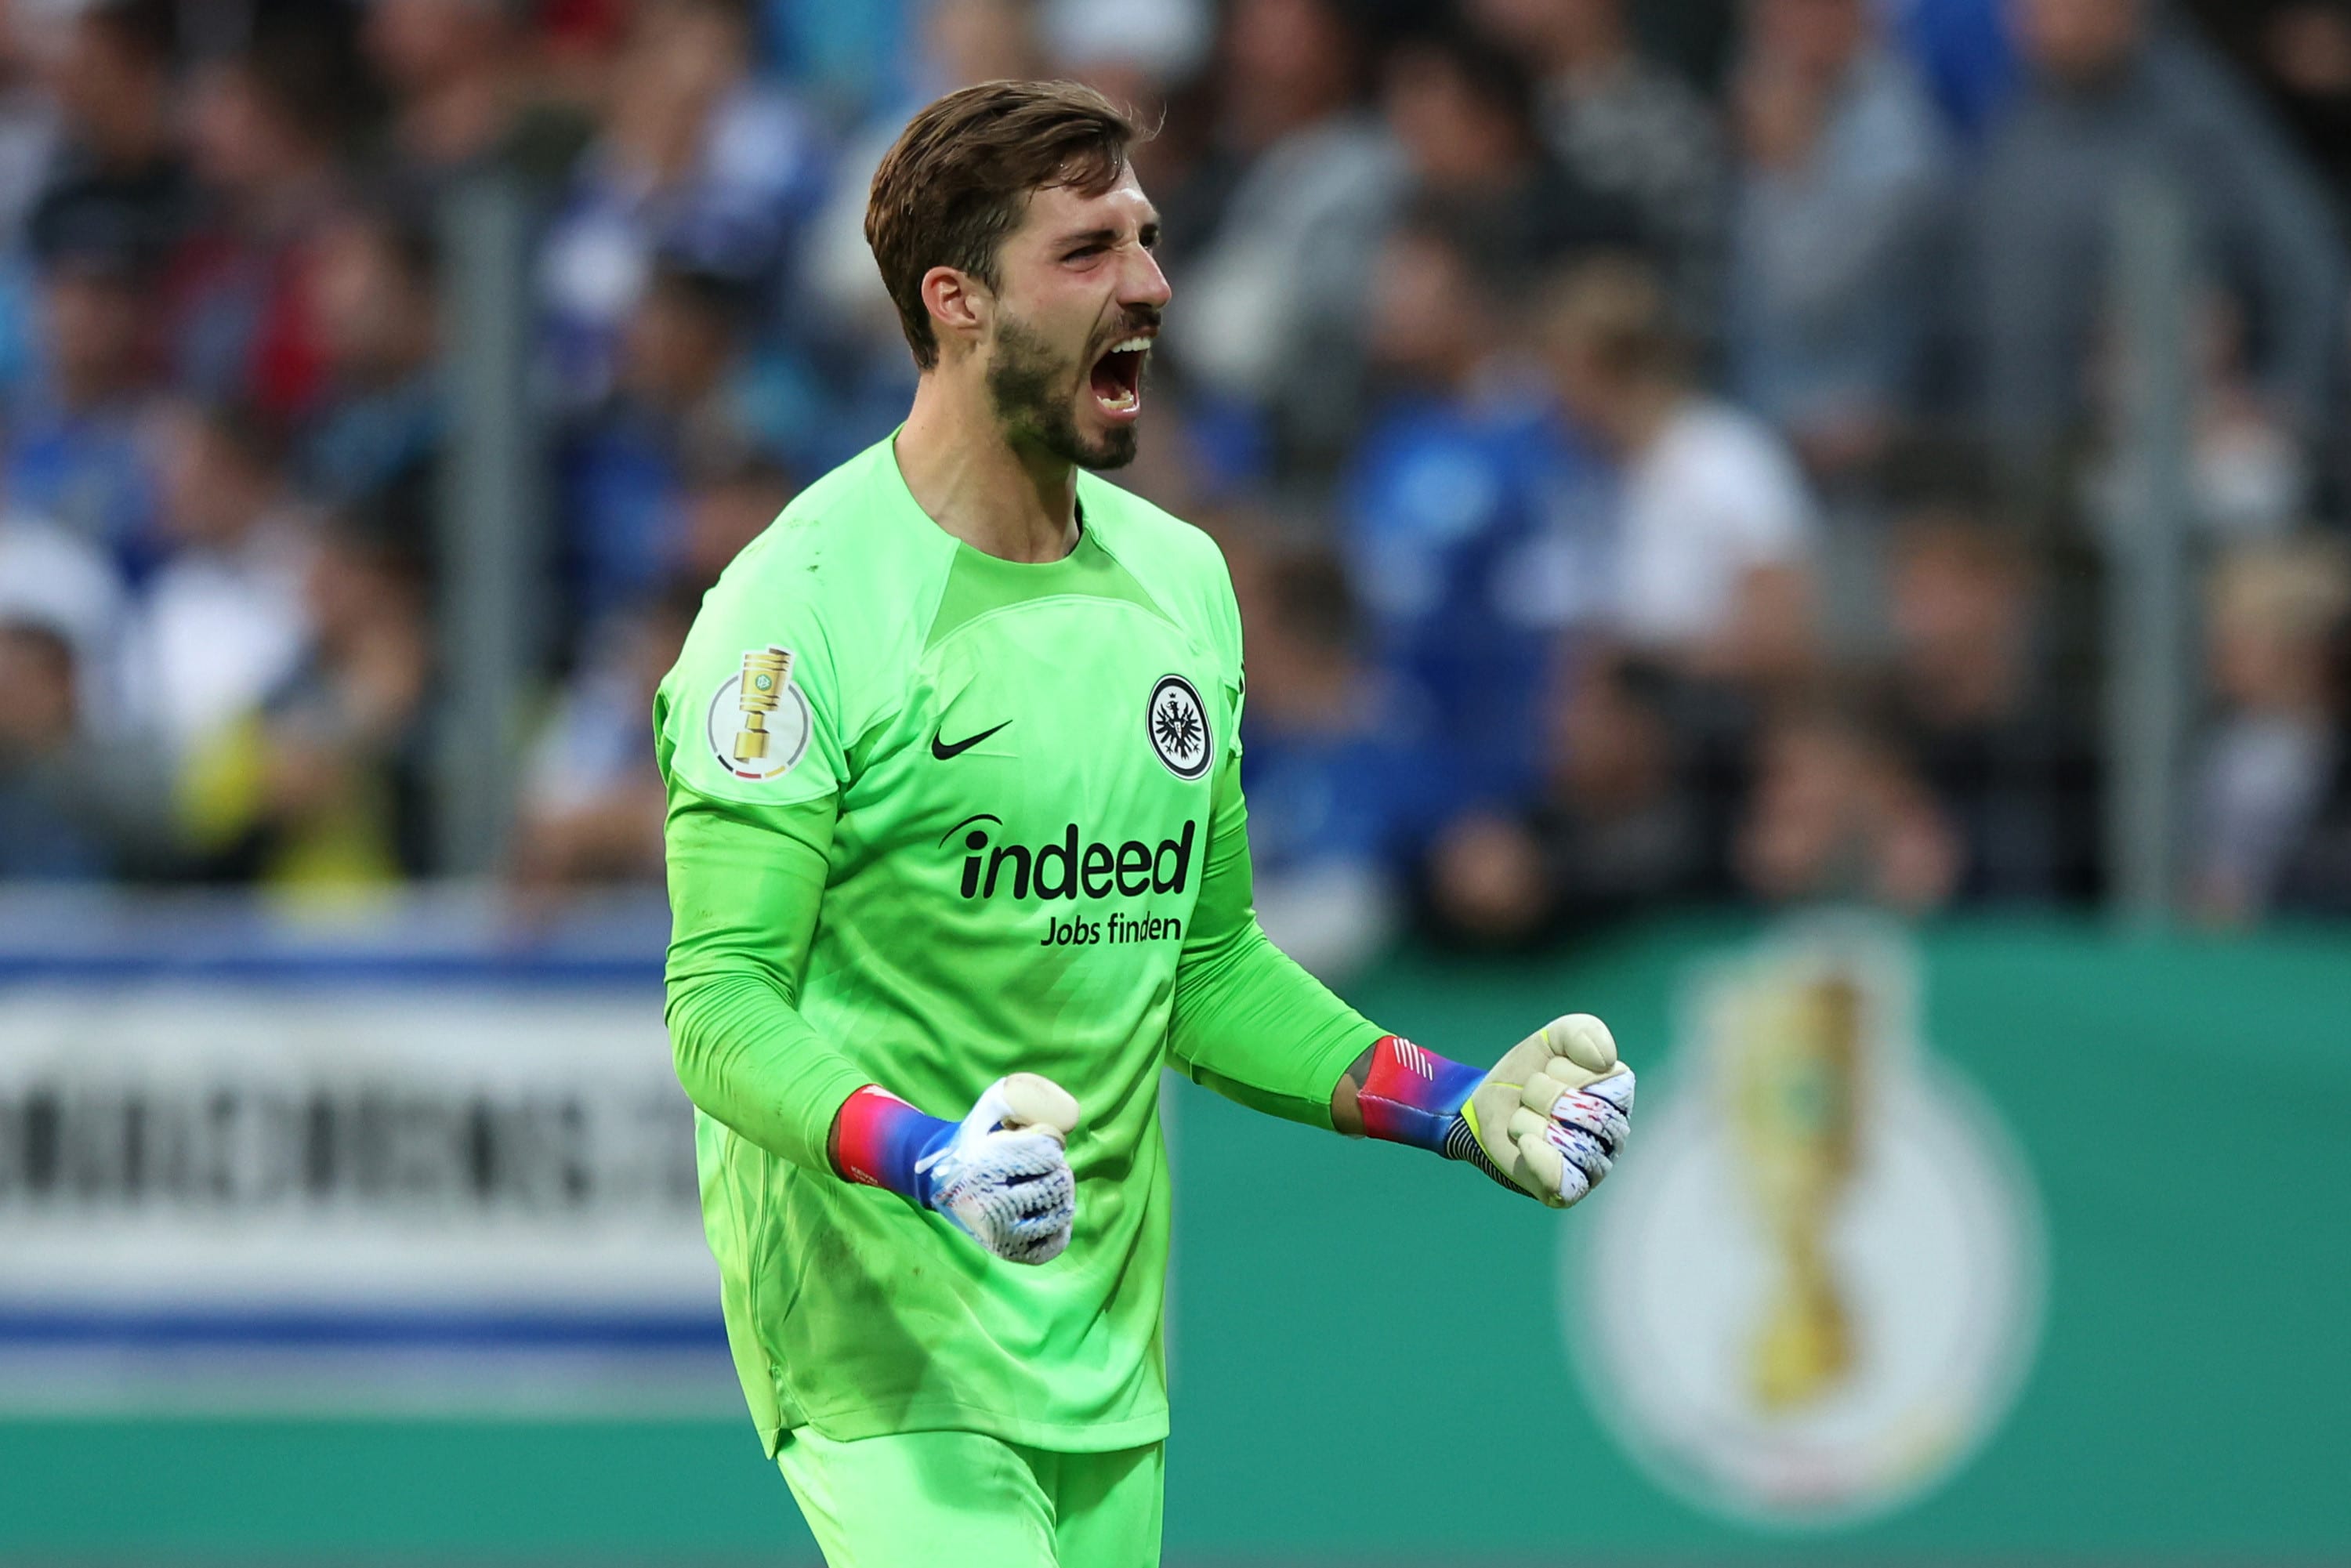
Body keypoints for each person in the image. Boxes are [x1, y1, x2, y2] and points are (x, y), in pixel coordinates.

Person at [654, 81, 1639, 1567]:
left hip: (1106, 1359)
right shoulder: (793, 616)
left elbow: (1207, 964)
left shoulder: (1182, 584)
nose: (1153, 286)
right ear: (958, 301)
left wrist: (1452, 1099)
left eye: (1151, 239)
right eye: (1090, 249)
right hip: (886, 1348)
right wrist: (933, 1156)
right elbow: (719, 1001)